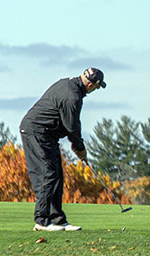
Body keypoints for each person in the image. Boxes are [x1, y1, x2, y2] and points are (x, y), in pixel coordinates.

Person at [19, 67, 106, 231]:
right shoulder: (72, 97)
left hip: (47, 135)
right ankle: (42, 220)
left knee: (57, 175)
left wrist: (78, 146)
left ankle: (57, 219)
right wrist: (80, 148)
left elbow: (71, 126)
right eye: (96, 86)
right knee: (48, 174)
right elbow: (72, 128)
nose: (95, 90)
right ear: (91, 84)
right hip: (36, 132)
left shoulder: (67, 84)